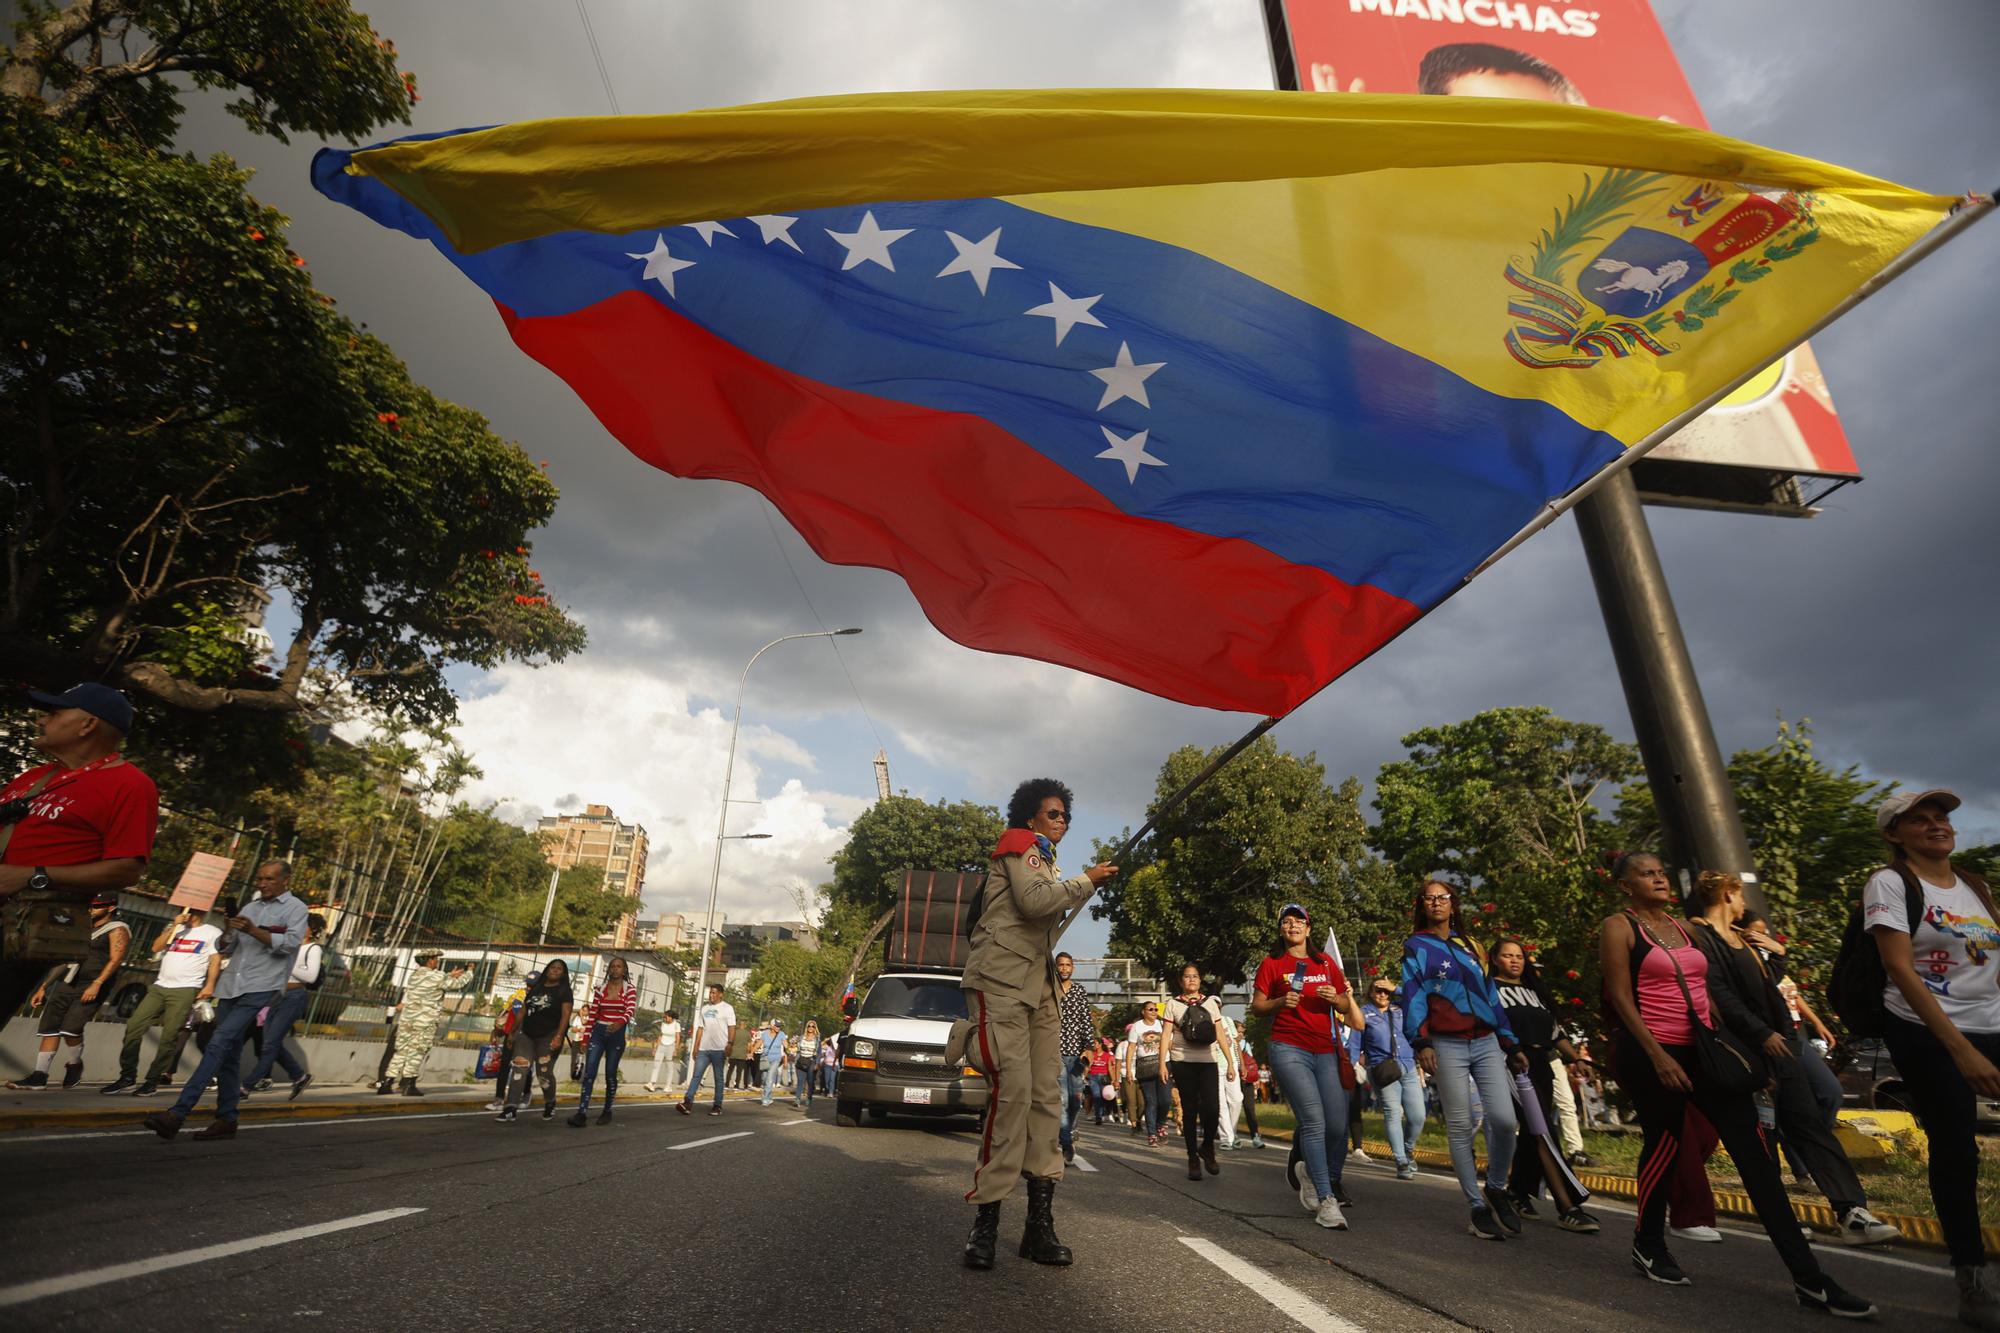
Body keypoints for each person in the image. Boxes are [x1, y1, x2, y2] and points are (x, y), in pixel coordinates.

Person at [1598, 852, 1873, 1315]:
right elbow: (1621, 998)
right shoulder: (1619, 927)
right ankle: (1648, 1243)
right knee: (1665, 1146)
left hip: (1707, 1051)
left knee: (1758, 1161)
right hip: (1653, 1052)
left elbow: (1709, 995)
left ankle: (1810, 1279)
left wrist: (1744, 1056)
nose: (1659, 878)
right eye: (1647, 873)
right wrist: (1657, 1056)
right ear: (1626, 886)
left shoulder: (1685, 929)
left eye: (1662, 871)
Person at [952, 777, 1115, 1271]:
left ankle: (1038, 1228)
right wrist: (1087, 879)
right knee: (1013, 1098)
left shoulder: (1043, 857)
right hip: (1000, 982)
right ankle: (986, 1224)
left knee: (1048, 1101)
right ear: (1030, 816)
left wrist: (1083, 883)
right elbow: (1035, 904)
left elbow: (1046, 914)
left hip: (1038, 987)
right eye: (1052, 812)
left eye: (1066, 814)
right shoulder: (1019, 845)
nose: (1061, 819)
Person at [1686, 872, 1895, 1246]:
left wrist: (1777, 958)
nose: (1745, 905)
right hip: (1744, 1054)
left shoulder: (1746, 941)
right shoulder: (1699, 937)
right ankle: (1782, 1218)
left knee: (1811, 1126)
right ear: (1728, 894)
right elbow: (1718, 995)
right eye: (1741, 897)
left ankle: (1852, 1212)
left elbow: (1772, 992)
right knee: (1761, 1139)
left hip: (1782, 1050)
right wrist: (1761, 1035)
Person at [1865, 789, 2000, 1327]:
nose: (1935, 826)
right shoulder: (1891, 882)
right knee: (1957, 1147)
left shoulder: (1976, 886)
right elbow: (1899, 968)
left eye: (1940, 817)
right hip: (1924, 1027)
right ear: (1895, 835)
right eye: (1918, 821)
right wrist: (1961, 1049)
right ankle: (1972, 1277)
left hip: (1992, 1021)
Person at [0, 685, 158, 1028]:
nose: (42, 721)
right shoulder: (35, 777)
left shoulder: (130, 785)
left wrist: (33, 874)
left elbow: (127, 869)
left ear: (87, 725)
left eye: (54, 714)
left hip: (21, 924)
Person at [142, 860, 308, 1141]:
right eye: (260, 878)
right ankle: (227, 1119)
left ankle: (178, 1113)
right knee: (228, 1053)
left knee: (219, 1042)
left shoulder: (296, 909)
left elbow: (291, 944)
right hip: (232, 986)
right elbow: (227, 946)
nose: (263, 883)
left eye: (269, 879)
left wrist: (254, 930)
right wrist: (230, 930)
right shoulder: (250, 907)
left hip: (262, 986)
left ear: (285, 880)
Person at [1401, 881, 1526, 1241]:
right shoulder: (1416, 946)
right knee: (1460, 1125)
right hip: (1446, 1043)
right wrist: (1421, 1040)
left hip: (1486, 1041)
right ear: (1422, 906)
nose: (1437, 903)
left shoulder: (1472, 946)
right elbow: (1413, 995)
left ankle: (1497, 1187)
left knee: (1504, 1121)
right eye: (1430, 898)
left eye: (1444, 897)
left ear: (1454, 904)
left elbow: (1491, 995)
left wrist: (1510, 1042)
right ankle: (1476, 1205)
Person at [1253, 902, 1364, 1230]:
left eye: (1298, 921)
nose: (1292, 926)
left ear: (1309, 929)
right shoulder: (1273, 963)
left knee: (1335, 1125)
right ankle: (1327, 1200)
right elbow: (1258, 1006)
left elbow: (1346, 1004)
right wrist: (1277, 1002)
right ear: (1282, 930)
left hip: (1325, 1049)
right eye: (1286, 922)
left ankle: (1309, 1172)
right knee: (1314, 1121)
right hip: (1288, 1047)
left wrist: (1337, 999)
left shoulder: (1325, 962)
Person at [1490, 939, 1598, 1232]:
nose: (1515, 961)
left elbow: (1555, 1032)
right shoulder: (1490, 990)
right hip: (1513, 1064)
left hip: (1541, 1064)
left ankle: (1517, 1191)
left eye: (1519, 956)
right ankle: (1568, 1205)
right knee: (1543, 1131)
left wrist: (1576, 1058)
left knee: (1532, 1132)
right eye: (1507, 956)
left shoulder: (1535, 991)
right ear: (1495, 959)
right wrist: (1511, 1051)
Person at [7, 891, 130, 1090]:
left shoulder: (118, 929)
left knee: (71, 1028)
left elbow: (116, 959)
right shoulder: (83, 928)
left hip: (92, 984)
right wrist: (44, 987)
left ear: (111, 908)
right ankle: (40, 1076)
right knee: (50, 1027)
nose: (92, 909)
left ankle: (75, 1065)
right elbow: (65, 960)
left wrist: (97, 983)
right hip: (68, 981)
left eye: (97, 906)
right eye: (91, 905)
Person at [104, 906, 221, 1096]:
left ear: (199, 913)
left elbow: (215, 961)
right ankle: (127, 1076)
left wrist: (209, 986)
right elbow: (156, 947)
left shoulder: (212, 932)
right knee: (134, 1025)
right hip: (160, 986)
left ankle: (152, 1080)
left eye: (192, 911)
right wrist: (172, 927)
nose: (186, 913)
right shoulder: (175, 929)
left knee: (170, 1035)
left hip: (185, 988)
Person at [241, 911, 326, 1099]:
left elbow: (310, 977)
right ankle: (299, 1076)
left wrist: (288, 960)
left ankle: (247, 1085)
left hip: (294, 997)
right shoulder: (288, 946)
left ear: (311, 930)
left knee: (269, 1044)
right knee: (270, 1042)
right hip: (276, 996)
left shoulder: (313, 949)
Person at [1163, 964, 1229, 1181]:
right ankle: (1192, 1157)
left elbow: (1219, 1033)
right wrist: (1162, 1063)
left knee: (1213, 1108)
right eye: (1187, 977)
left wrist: (1231, 1062)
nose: (1191, 980)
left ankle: (1207, 1147)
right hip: (1182, 1061)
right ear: (1181, 981)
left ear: (1200, 980)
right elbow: (1165, 1035)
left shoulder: (1210, 1003)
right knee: (1189, 1110)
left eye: (1195, 976)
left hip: (1208, 1061)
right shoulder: (1172, 1004)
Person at [379, 949, 470, 1096]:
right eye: (436, 959)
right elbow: (458, 984)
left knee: (401, 1051)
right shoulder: (438, 976)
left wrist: (448, 975)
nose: (437, 961)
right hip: (425, 1020)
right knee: (417, 1050)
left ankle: (387, 1083)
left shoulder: (414, 976)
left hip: (408, 1020)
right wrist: (469, 972)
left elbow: (434, 980)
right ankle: (409, 1085)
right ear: (430, 960)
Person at [1361, 976, 1424, 1180]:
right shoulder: (1364, 1013)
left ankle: (1408, 1149)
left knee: (1417, 1116)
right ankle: (1401, 1160)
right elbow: (1355, 1040)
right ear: (1370, 993)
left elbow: (1419, 996)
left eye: (1385, 991)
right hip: (1382, 1068)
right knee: (1392, 1112)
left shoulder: (1401, 1007)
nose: (1382, 994)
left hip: (1407, 1066)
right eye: (1377, 990)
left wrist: (1395, 987)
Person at [496, 959, 571, 1122]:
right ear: (547, 969)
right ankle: (510, 1107)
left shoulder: (564, 990)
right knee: (519, 1067)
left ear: (563, 974)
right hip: (527, 1035)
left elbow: (566, 1015)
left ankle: (550, 1102)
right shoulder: (536, 987)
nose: (555, 970)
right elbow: (522, 1011)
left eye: (559, 969)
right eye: (552, 967)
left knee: (543, 1072)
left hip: (549, 1036)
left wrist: (559, 1036)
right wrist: (512, 1032)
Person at [571, 956, 636, 1126]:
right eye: (612, 966)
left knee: (610, 1074)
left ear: (624, 970)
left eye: (619, 966)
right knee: (590, 1073)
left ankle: (607, 1111)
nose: (615, 969)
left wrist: (620, 1023)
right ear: (609, 970)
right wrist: (585, 1039)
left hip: (617, 1033)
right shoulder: (600, 989)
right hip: (599, 1032)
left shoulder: (629, 989)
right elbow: (593, 1014)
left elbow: (630, 1010)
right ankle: (582, 1113)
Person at [1054, 951, 1093, 1165]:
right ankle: (1066, 1141)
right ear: (1056, 967)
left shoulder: (1079, 991)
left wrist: (1088, 1047)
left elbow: (1086, 1020)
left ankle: (1066, 1132)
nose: (1064, 968)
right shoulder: (1049, 989)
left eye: (1068, 965)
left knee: (1076, 1099)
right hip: (1055, 1052)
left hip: (1077, 1055)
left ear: (1073, 968)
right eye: (1061, 965)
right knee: (1062, 1099)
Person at [679, 982, 736, 1117]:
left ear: (721, 994)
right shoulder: (704, 1009)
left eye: (714, 992)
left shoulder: (727, 1008)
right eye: (710, 992)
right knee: (696, 1075)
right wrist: (696, 1046)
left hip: (719, 1049)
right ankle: (688, 1102)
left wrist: (730, 1044)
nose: (711, 995)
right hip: (704, 1048)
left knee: (718, 1078)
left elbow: (732, 1027)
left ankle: (717, 1105)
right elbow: (700, 1028)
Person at [1126, 1000, 1169, 1144]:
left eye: (1156, 1009)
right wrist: (1129, 1070)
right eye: (1150, 1009)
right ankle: (1152, 1134)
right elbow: (1131, 1048)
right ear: (1143, 1011)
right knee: (1151, 1102)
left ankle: (1160, 1124)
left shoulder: (1162, 1024)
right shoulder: (1137, 1027)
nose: (1154, 1012)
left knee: (1165, 1100)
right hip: (1145, 1067)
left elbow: (1170, 1043)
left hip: (1163, 1064)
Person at [1213, 1013, 1243, 1149]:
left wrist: (1240, 1063)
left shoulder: (1227, 1020)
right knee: (1221, 1103)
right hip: (1213, 1065)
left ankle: (1232, 1133)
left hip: (1231, 1064)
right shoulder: (1204, 1021)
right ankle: (1226, 1138)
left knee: (1236, 1100)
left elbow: (1236, 1042)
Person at [644, 1009, 681, 1092]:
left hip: (671, 1046)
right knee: (656, 1065)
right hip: (661, 1046)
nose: (664, 1018)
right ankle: (652, 1084)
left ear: (671, 1017)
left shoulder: (676, 1025)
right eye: (664, 1017)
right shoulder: (663, 1024)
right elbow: (660, 1036)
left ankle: (668, 1086)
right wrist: (655, 1048)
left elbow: (678, 1037)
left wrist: (676, 1049)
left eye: (666, 1016)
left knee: (669, 1067)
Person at [758, 1018, 789, 1106]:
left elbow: (785, 1044)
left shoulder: (781, 1034)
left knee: (769, 1078)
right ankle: (769, 1097)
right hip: (765, 1058)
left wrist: (788, 1046)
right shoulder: (765, 1034)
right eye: (777, 1026)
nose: (778, 1028)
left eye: (779, 1026)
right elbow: (759, 1043)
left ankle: (765, 1099)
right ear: (772, 1026)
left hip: (776, 1059)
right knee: (764, 1079)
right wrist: (751, 1053)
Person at [1237, 1046, 1265, 1148]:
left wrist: (1256, 1079)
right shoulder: (1227, 1039)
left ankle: (1255, 1136)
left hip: (1247, 1080)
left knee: (1250, 1108)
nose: (1240, 1034)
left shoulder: (1246, 1045)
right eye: (1238, 1031)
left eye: (1242, 1032)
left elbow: (1252, 1064)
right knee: (1233, 1107)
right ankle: (1232, 1136)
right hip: (1232, 1078)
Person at [794, 1019, 823, 1110]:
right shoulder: (801, 1037)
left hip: (811, 1062)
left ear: (815, 1028)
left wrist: (817, 1063)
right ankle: (797, 1099)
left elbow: (819, 1053)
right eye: (809, 1026)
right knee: (800, 1081)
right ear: (807, 1027)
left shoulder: (817, 1040)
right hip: (801, 1060)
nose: (811, 1028)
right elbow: (796, 1048)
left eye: (813, 1026)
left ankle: (809, 1098)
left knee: (810, 1082)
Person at [1086, 1036, 1114, 1126]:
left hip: (1104, 1078)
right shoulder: (1092, 1054)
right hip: (1093, 1078)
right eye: (1093, 1043)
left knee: (1103, 1097)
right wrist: (1086, 1074)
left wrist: (1114, 1080)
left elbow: (1110, 1068)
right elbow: (1087, 1066)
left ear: (1100, 1044)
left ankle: (1102, 1114)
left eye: (1095, 1043)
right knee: (1096, 1096)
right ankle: (1098, 1117)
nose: (1094, 1045)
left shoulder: (1107, 1055)